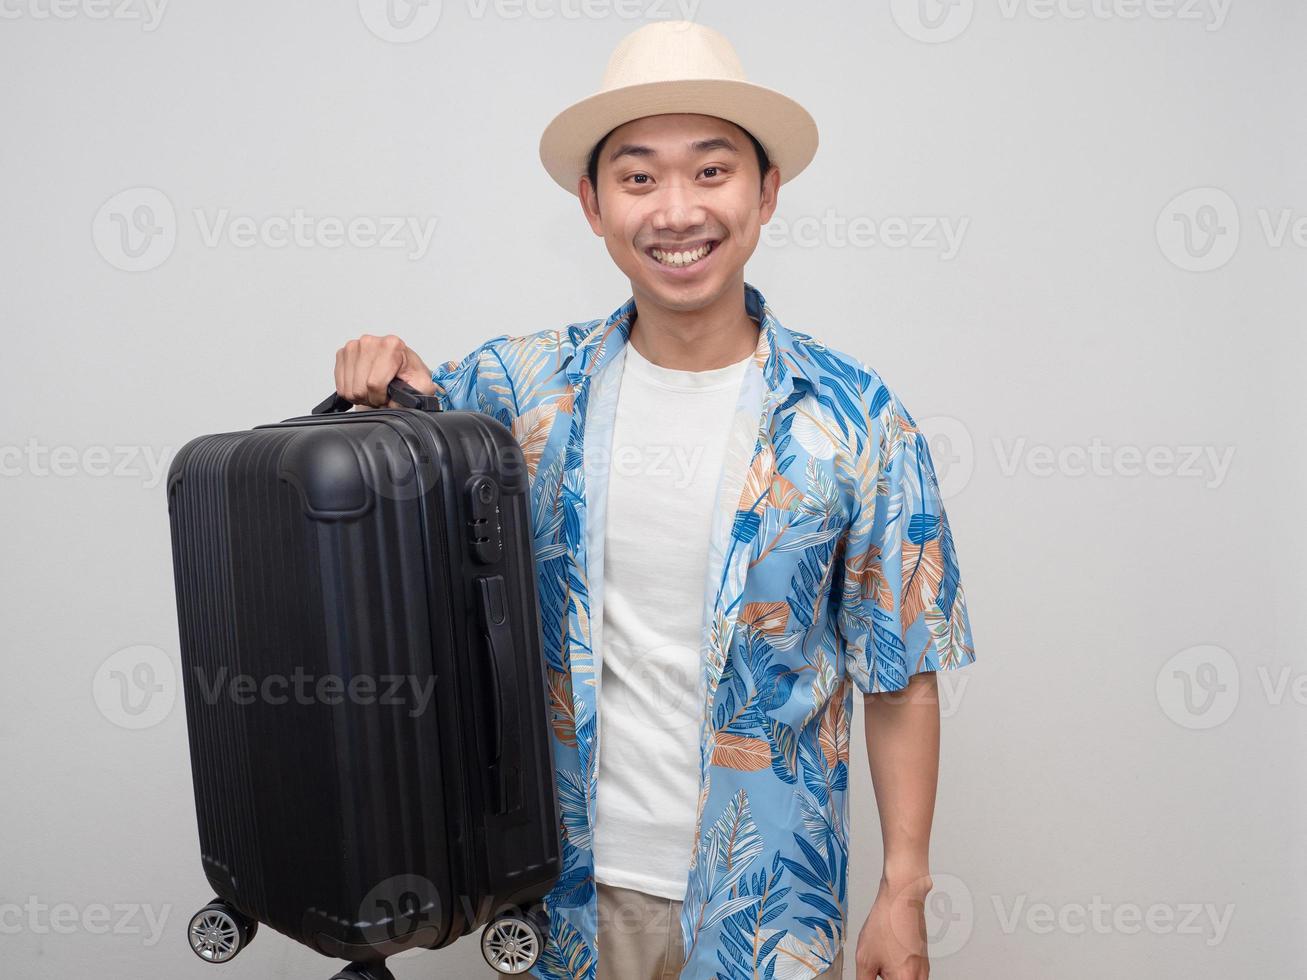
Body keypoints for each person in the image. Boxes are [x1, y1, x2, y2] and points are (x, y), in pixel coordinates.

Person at [332, 20, 977, 980]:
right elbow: (406, 434)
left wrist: (903, 891)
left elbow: (904, 667)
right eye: (638, 178)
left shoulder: (855, 420)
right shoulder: (524, 392)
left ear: (766, 194)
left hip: (770, 900)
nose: (677, 211)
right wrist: (377, 371)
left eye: (711, 171)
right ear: (593, 206)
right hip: (565, 892)